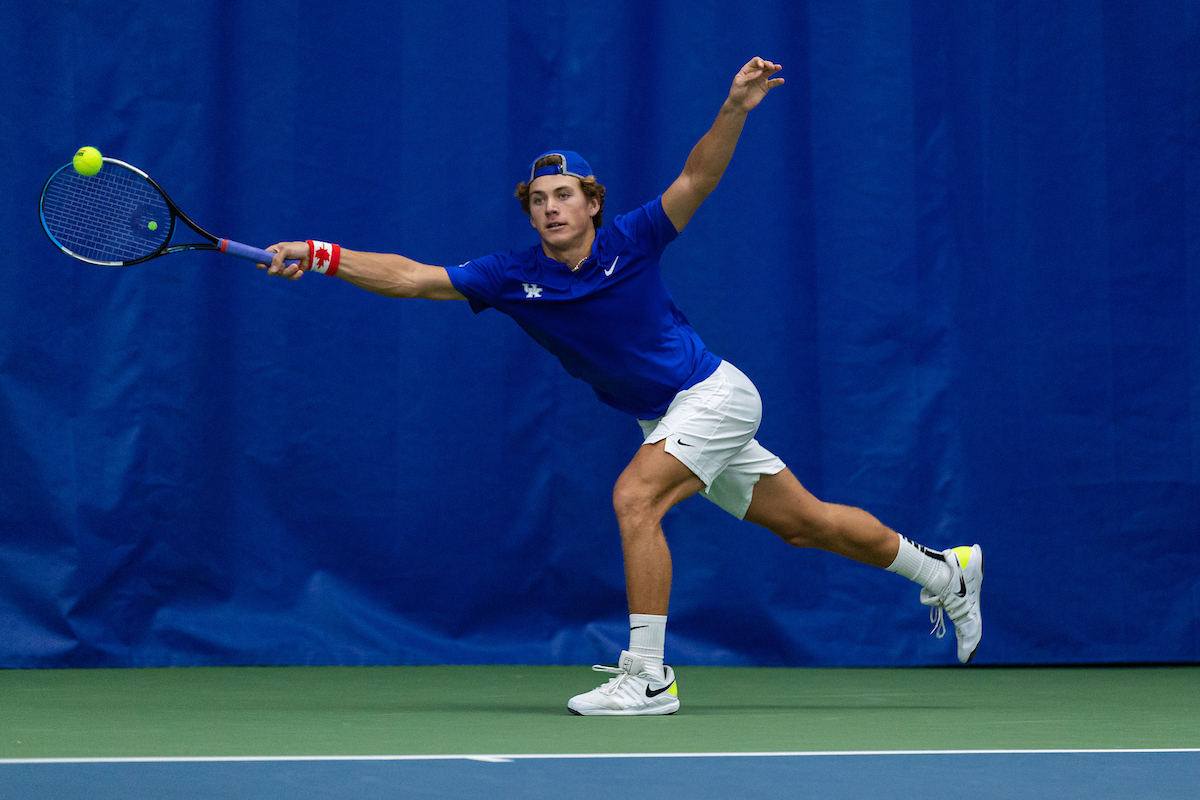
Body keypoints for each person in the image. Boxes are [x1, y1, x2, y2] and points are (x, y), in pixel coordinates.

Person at [262, 57, 984, 716]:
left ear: (593, 203)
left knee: (635, 497)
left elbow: (697, 178)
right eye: (539, 198)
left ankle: (649, 677)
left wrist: (734, 107)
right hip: (664, 415)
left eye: (565, 195)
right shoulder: (512, 277)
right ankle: (945, 570)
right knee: (807, 525)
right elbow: (413, 279)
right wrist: (320, 254)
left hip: (714, 395)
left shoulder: (633, 239)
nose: (550, 207)